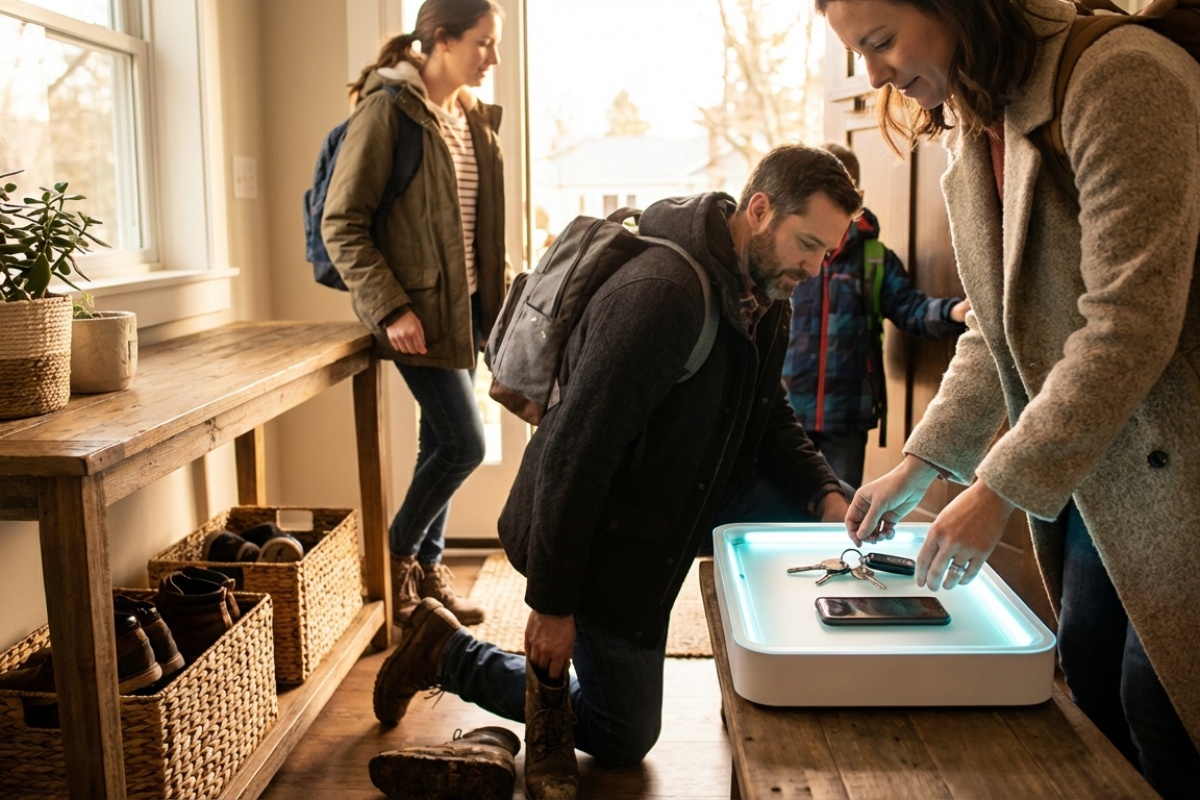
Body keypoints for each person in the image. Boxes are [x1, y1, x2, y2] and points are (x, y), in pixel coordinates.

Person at [368, 144, 862, 799]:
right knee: (623, 735)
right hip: (604, 534)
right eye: (807, 244)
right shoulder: (664, 296)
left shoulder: (769, 297)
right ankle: (444, 651)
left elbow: (766, 414)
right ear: (760, 209)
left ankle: (770, 666)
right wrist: (552, 603)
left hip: (674, 497)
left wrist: (827, 497)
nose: (815, 266)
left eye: (826, 252)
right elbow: (578, 450)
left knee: (819, 518)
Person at [817, 1, 1200, 797]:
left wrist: (996, 488)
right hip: (1097, 469)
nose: (874, 73)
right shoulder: (970, 124)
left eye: (881, 41)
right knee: (1090, 676)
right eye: (858, 53)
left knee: (1159, 705)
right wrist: (921, 464)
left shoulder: (1118, 75)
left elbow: (1128, 325)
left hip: (1176, 459)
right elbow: (997, 332)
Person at [322, 0, 506, 628]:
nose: (493, 57)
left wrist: (499, 310)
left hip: (467, 313)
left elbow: (479, 230)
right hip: (415, 316)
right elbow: (342, 223)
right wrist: (391, 307)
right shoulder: (390, 110)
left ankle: (427, 582)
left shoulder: (473, 118)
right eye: (483, 43)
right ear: (442, 40)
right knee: (465, 445)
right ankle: (396, 558)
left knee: (439, 441)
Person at [784, 142, 968, 488]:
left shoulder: (873, 258)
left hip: (849, 413)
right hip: (788, 411)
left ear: (858, 194)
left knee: (840, 502)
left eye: (842, 188)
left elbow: (909, 308)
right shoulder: (791, 254)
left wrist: (952, 311)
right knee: (787, 499)